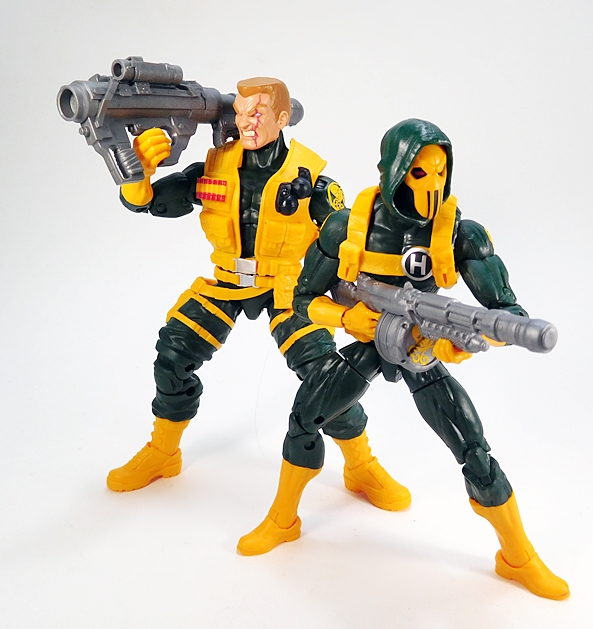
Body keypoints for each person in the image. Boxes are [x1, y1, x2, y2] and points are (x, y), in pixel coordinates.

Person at [238, 118, 569, 601]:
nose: (432, 185)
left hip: (420, 345)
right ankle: (283, 520)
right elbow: (302, 299)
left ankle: (518, 557)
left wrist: (460, 342)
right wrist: (348, 318)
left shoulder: (460, 234)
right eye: (419, 173)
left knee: (475, 453)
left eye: (440, 173)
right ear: (393, 170)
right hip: (370, 336)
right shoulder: (347, 227)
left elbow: (508, 313)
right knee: (305, 418)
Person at [106, 78, 410, 525]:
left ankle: (360, 464)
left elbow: (347, 239)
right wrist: (138, 174)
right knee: (172, 354)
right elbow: (150, 202)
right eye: (241, 112)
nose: (246, 122)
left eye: (258, 113)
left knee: (326, 377)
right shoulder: (216, 166)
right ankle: (163, 451)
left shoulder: (312, 181)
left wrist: (370, 287)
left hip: (288, 287)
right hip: (228, 282)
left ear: (282, 118)